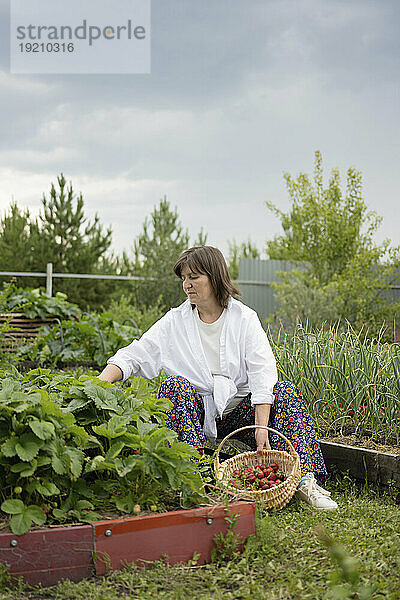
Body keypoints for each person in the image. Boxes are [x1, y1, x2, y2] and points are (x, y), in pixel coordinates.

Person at [99, 246, 337, 510]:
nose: (187, 285)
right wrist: (99, 384)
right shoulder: (175, 321)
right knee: (173, 386)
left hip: (239, 410)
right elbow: (137, 353)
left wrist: (261, 426)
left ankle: (304, 480)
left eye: (194, 277)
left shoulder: (244, 318)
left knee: (285, 391)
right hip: (197, 413)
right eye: (184, 279)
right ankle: (194, 479)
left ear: (214, 277)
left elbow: (262, 371)